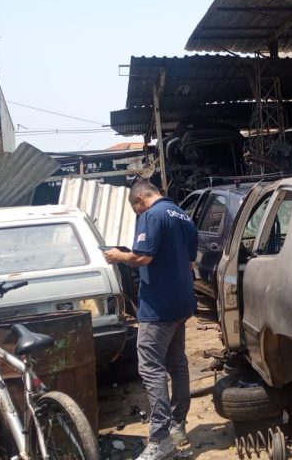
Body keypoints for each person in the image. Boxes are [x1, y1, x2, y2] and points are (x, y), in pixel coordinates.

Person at [104, 181, 197, 460]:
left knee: (151, 368)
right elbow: (190, 261)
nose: (137, 213)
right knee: (177, 363)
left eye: (136, 209)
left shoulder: (151, 215)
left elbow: (142, 257)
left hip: (158, 307)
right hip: (181, 303)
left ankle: (159, 438)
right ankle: (178, 425)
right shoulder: (182, 215)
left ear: (140, 200)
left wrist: (118, 255)